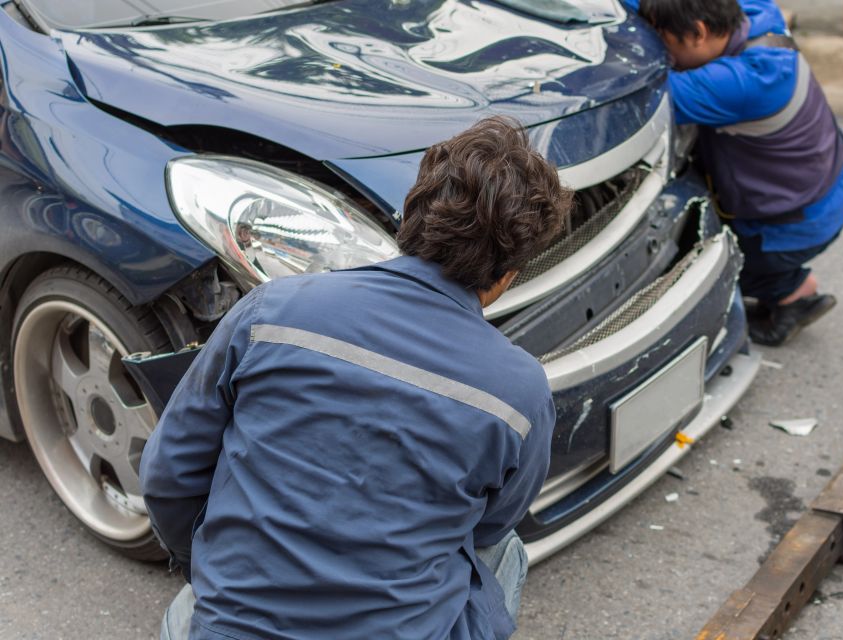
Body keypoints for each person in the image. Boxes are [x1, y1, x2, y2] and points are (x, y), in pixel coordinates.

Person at [140, 116, 572, 640]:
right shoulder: (520, 392)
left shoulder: (272, 310)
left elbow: (168, 475)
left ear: (410, 219)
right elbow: (490, 524)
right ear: (508, 275)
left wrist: (208, 568)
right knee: (503, 551)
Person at [624, 0, 843, 346]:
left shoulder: (745, 83)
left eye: (660, 36)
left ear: (698, 33)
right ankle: (782, 280)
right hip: (823, 185)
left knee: (683, 280)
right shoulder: (755, 12)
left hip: (793, 226)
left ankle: (790, 293)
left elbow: (636, 99)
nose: (656, 44)